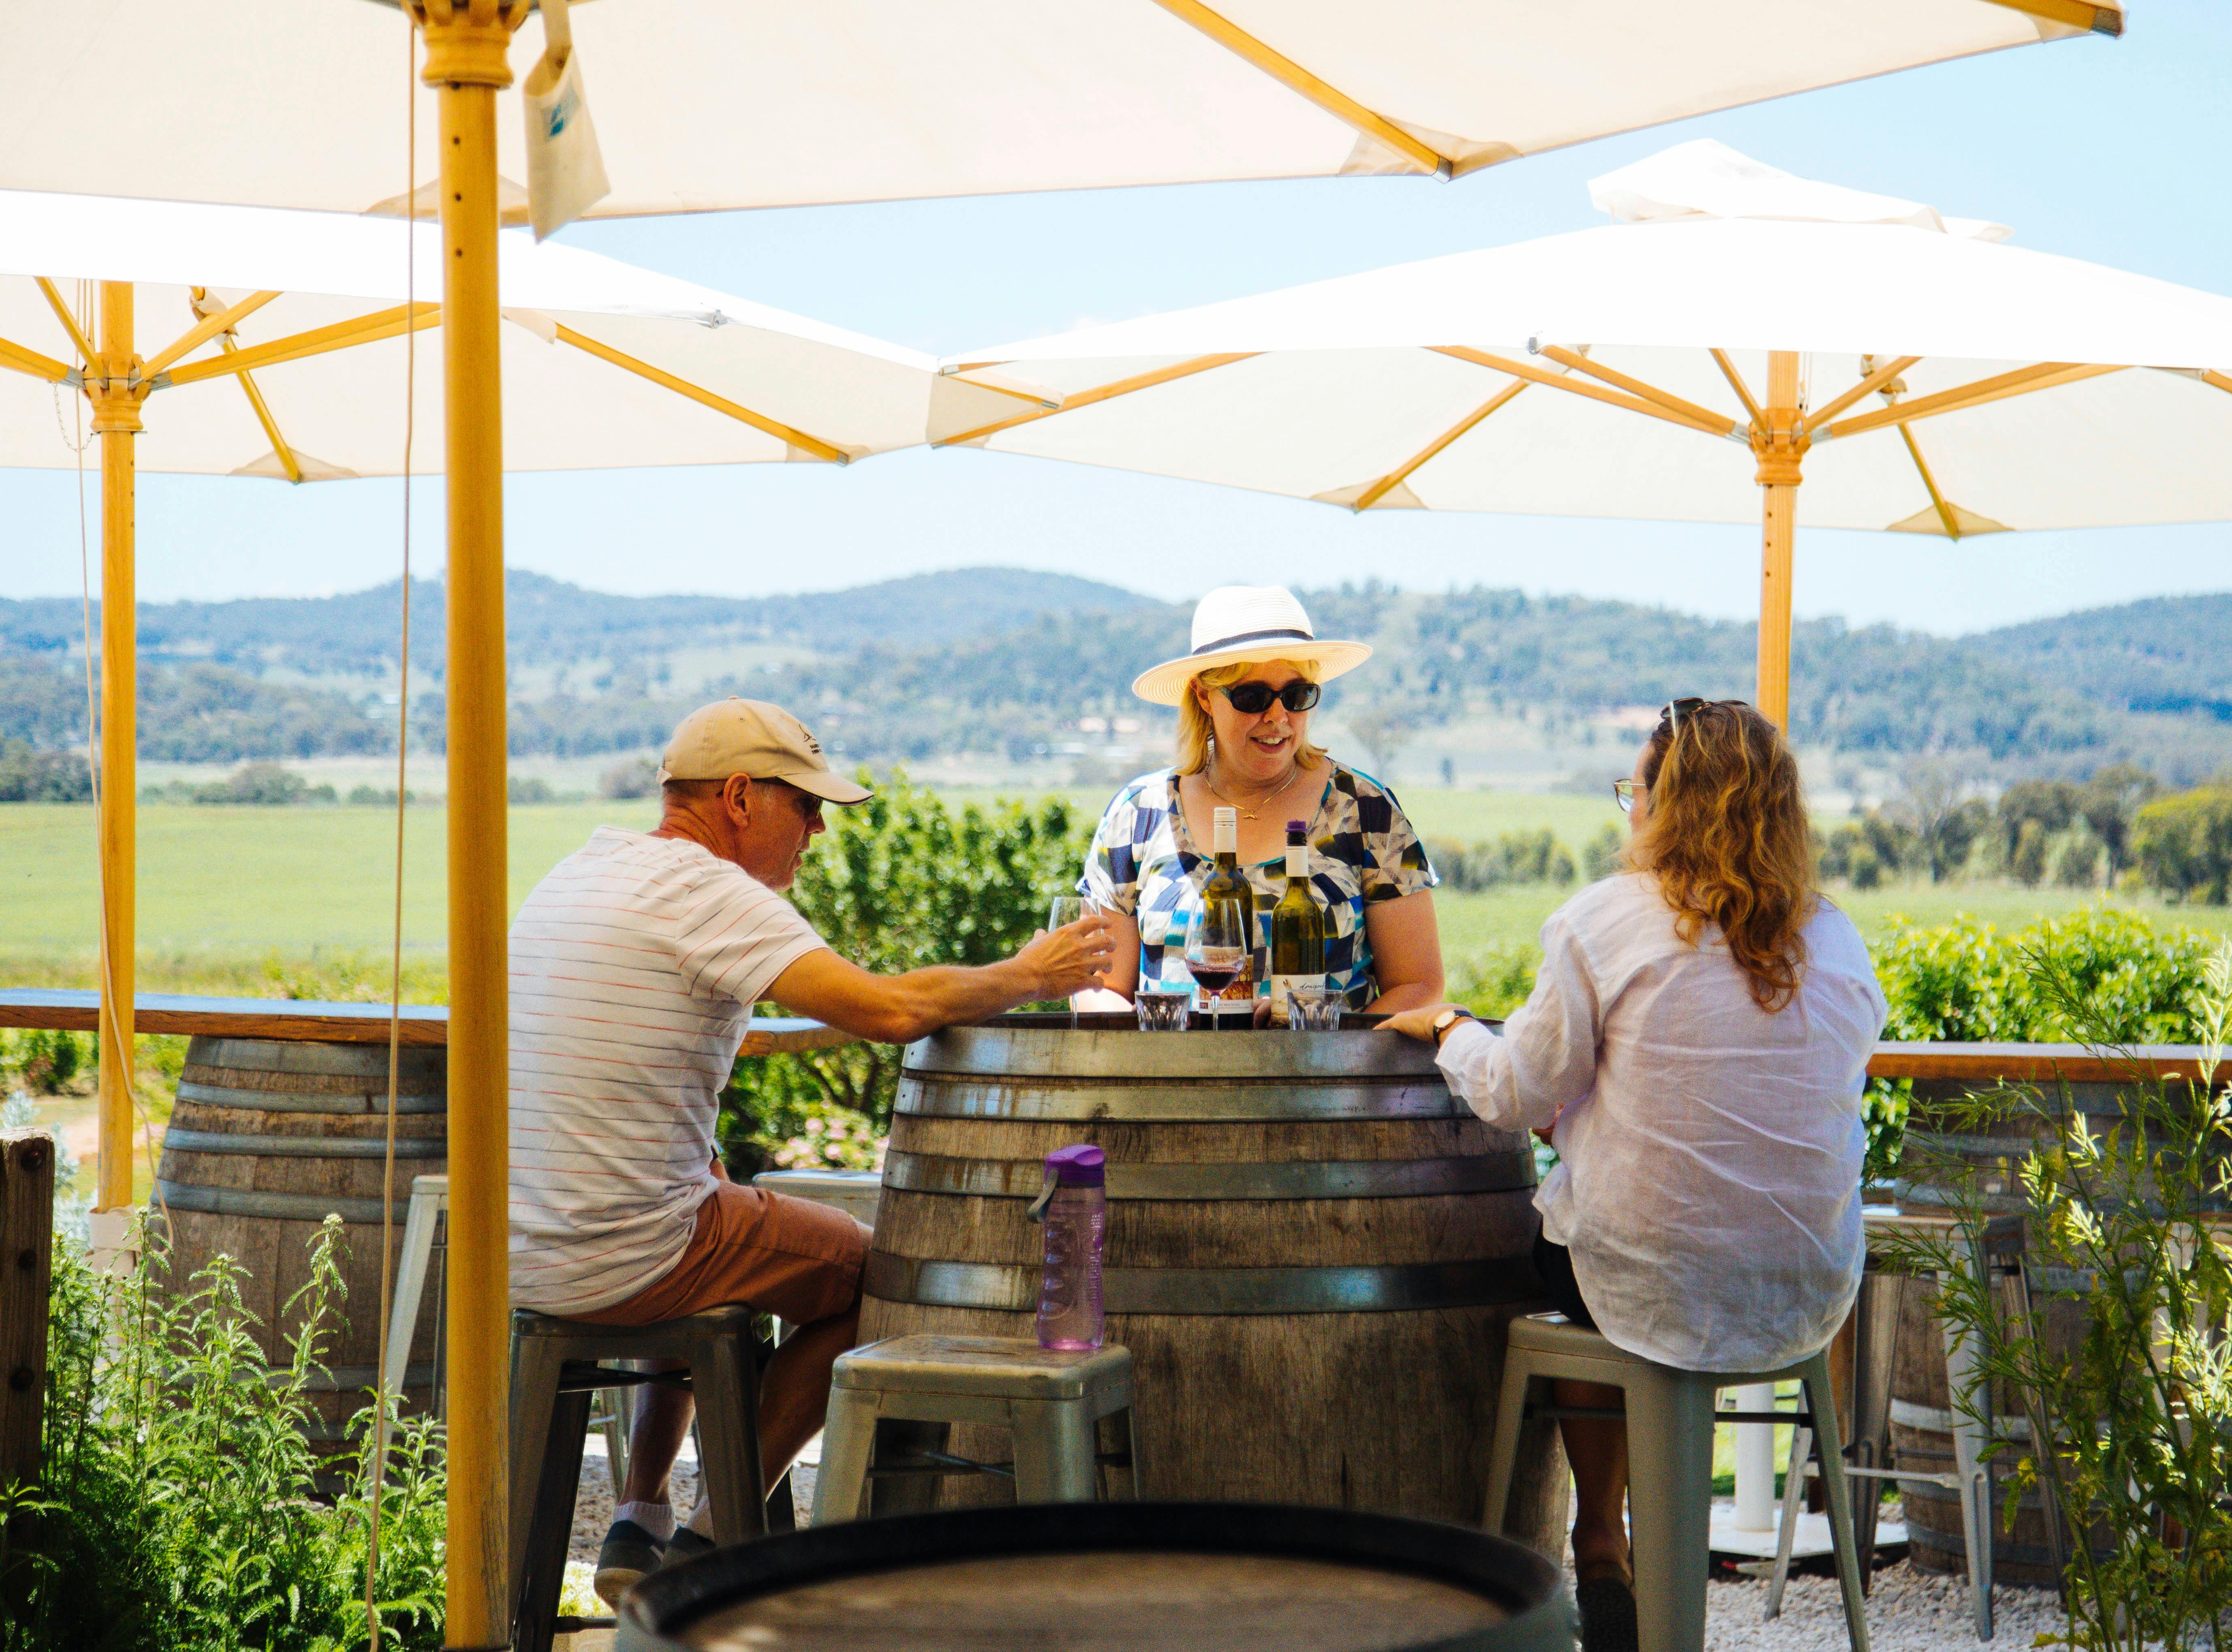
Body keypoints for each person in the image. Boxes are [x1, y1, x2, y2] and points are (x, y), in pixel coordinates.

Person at [507, 696, 1116, 1602]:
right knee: (883, 1278)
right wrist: (1032, 972)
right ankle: (718, 1535)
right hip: (621, 1252)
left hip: (520, 1254)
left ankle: (642, 1511)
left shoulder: (580, 870)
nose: (820, 828)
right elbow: (889, 1011)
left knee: (709, 1197)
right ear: (742, 796)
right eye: (807, 804)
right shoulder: (704, 889)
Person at [1381, 698, 1884, 1652]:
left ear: (1669, 805)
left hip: (1654, 1271)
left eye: (1637, 792)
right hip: (1808, 1281)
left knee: (1572, 1248)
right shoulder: (1838, 941)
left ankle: (1600, 1538)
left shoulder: (1604, 924)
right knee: (1615, 1237)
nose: (1633, 812)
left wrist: (1449, 1028)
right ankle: (1615, 1542)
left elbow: (1518, 1093)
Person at [1081, 585, 1445, 1013]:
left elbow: (1419, 985)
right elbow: (1098, 989)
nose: (1278, 716)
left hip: (1326, 1080)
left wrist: (1313, 1039)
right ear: (1203, 696)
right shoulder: (1138, 814)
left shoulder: (1365, 810)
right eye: (1252, 696)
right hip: (1169, 1078)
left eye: (1297, 695)